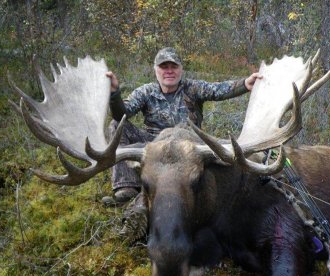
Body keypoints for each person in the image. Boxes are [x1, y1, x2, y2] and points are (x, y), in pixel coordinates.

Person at [102, 47, 262, 207]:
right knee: (117, 125)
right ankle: (127, 187)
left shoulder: (192, 88)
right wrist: (115, 95)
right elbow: (122, 114)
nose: (169, 71)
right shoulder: (146, 92)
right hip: (155, 145)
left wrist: (245, 84)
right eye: (164, 67)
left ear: (181, 69)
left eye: (174, 66)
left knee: (235, 153)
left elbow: (218, 90)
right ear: (155, 70)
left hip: (188, 147)